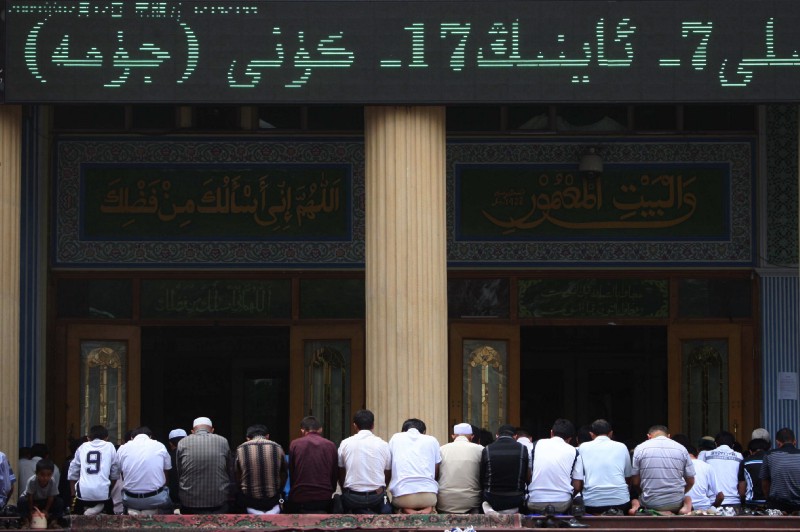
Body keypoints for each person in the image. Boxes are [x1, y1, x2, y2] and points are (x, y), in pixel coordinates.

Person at [629, 425, 693, 515]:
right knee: (687, 498)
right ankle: (686, 507)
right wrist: (680, 493)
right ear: (669, 436)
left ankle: (636, 507)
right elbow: (691, 481)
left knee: (635, 500)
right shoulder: (681, 449)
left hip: (650, 502)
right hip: (675, 503)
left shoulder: (640, 449)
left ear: (648, 436)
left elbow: (635, 482)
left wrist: (643, 493)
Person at [337, 409, 391, 514]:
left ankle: (360, 511)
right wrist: (381, 489)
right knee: (386, 499)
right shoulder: (384, 445)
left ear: (355, 426)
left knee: (341, 501)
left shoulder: (345, 443)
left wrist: (346, 491)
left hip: (351, 498)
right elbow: (388, 473)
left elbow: (340, 472)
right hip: (378, 496)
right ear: (373, 425)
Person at [525, 418, 584, 515]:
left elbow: (527, 475)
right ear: (569, 439)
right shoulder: (574, 452)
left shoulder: (534, 446)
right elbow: (577, 486)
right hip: (562, 503)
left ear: (551, 433)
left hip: (535, 501)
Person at [176, 417, 232, 514]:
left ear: (192, 431)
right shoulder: (223, 441)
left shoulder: (182, 442)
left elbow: (179, 472)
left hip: (189, 502)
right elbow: (229, 470)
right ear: (212, 430)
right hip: (219, 501)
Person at [577, 419, 632, 515]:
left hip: (592, 503)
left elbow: (579, 477)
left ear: (591, 434)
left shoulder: (583, 448)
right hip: (620, 502)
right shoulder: (622, 447)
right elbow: (628, 477)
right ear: (611, 433)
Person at [286, 416, 338, 514]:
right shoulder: (330, 445)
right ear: (320, 429)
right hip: (324, 498)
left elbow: (292, 473)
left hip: (300, 498)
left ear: (302, 430)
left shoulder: (295, 444)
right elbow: (334, 474)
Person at [388, 418, 441, 513]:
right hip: (429, 497)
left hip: (403, 497)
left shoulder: (396, 438)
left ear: (403, 431)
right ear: (424, 432)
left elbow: (390, 467)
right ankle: (428, 509)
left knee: (397, 504)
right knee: (430, 501)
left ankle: (406, 509)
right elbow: (436, 471)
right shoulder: (432, 440)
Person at [116, 426, 172, 514]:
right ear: (150, 436)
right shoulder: (160, 446)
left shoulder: (122, 448)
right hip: (156, 498)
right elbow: (166, 471)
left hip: (131, 499)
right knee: (169, 508)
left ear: (131, 438)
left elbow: (119, 473)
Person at [235, 424, 287, 514]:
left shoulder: (241, 448)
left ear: (247, 438)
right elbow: (284, 474)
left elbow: (237, 476)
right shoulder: (277, 447)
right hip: (273, 501)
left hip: (249, 501)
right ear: (267, 436)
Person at [68, 425, 120, 516]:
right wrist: (109, 488)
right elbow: (115, 472)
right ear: (106, 438)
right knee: (109, 510)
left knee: (77, 510)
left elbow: (73, 469)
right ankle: (99, 508)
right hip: (103, 493)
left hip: (83, 494)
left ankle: (92, 511)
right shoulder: (110, 446)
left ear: (89, 438)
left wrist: (73, 492)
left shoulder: (82, 447)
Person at [480, 424, 530, 514]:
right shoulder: (522, 449)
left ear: (497, 435)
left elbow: (482, 478)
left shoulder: (487, 449)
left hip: (492, 499)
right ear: (515, 436)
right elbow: (525, 476)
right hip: (516, 499)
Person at [437, 423, 483, 514]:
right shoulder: (480, 449)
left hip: (445, 502)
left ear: (453, 436)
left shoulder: (441, 449)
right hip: (471, 502)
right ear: (472, 436)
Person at [699, 431, 743, 510]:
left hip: (713, 502)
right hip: (734, 502)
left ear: (715, 444)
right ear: (733, 445)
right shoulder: (739, 456)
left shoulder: (706, 455)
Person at [760, 427, 800, 513]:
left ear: (778, 443)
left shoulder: (769, 455)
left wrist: (769, 499)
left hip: (777, 505)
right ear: (795, 442)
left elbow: (765, 483)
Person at [18, 459, 64, 528]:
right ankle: (26, 521)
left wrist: (46, 510)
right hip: (32, 501)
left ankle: (54, 522)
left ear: (52, 474)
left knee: (59, 501)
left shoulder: (52, 481)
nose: (45, 478)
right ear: (36, 473)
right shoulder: (32, 481)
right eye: (42, 475)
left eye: (49, 475)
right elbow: (30, 496)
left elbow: (51, 497)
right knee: (21, 501)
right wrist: (31, 510)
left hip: (44, 501)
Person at [683, 443, 723, 511]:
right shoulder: (707, 467)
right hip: (704, 509)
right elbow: (720, 496)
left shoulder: (678, 466)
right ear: (697, 455)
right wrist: (712, 508)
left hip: (684, 508)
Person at [738, 437, 769, 509]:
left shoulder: (745, 462)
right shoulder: (772, 460)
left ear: (750, 451)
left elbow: (742, 492)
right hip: (769, 503)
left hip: (751, 502)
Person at [166, 428, 186, 507]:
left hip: (171, 497)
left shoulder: (167, 456)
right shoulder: (191, 456)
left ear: (170, 443)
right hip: (188, 498)